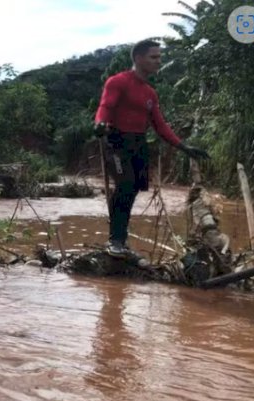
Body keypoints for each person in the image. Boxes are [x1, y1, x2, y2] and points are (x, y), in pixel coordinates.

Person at [94, 39, 209, 260]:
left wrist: (184, 147)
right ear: (138, 58)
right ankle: (115, 241)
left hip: (138, 143)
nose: (159, 61)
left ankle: (121, 239)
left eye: (159, 56)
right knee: (125, 185)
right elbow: (105, 107)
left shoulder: (150, 93)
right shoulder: (117, 82)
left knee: (134, 188)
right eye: (153, 57)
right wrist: (99, 125)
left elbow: (160, 125)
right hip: (115, 140)